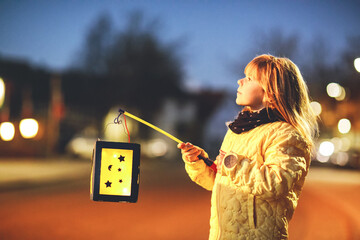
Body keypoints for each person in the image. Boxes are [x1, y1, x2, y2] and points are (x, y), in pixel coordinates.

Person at [178, 54, 319, 240]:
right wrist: (199, 162)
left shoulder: (286, 135)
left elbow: (277, 183)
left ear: (271, 91)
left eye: (250, 78)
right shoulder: (239, 129)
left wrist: (232, 164)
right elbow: (224, 182)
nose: (240, 81)